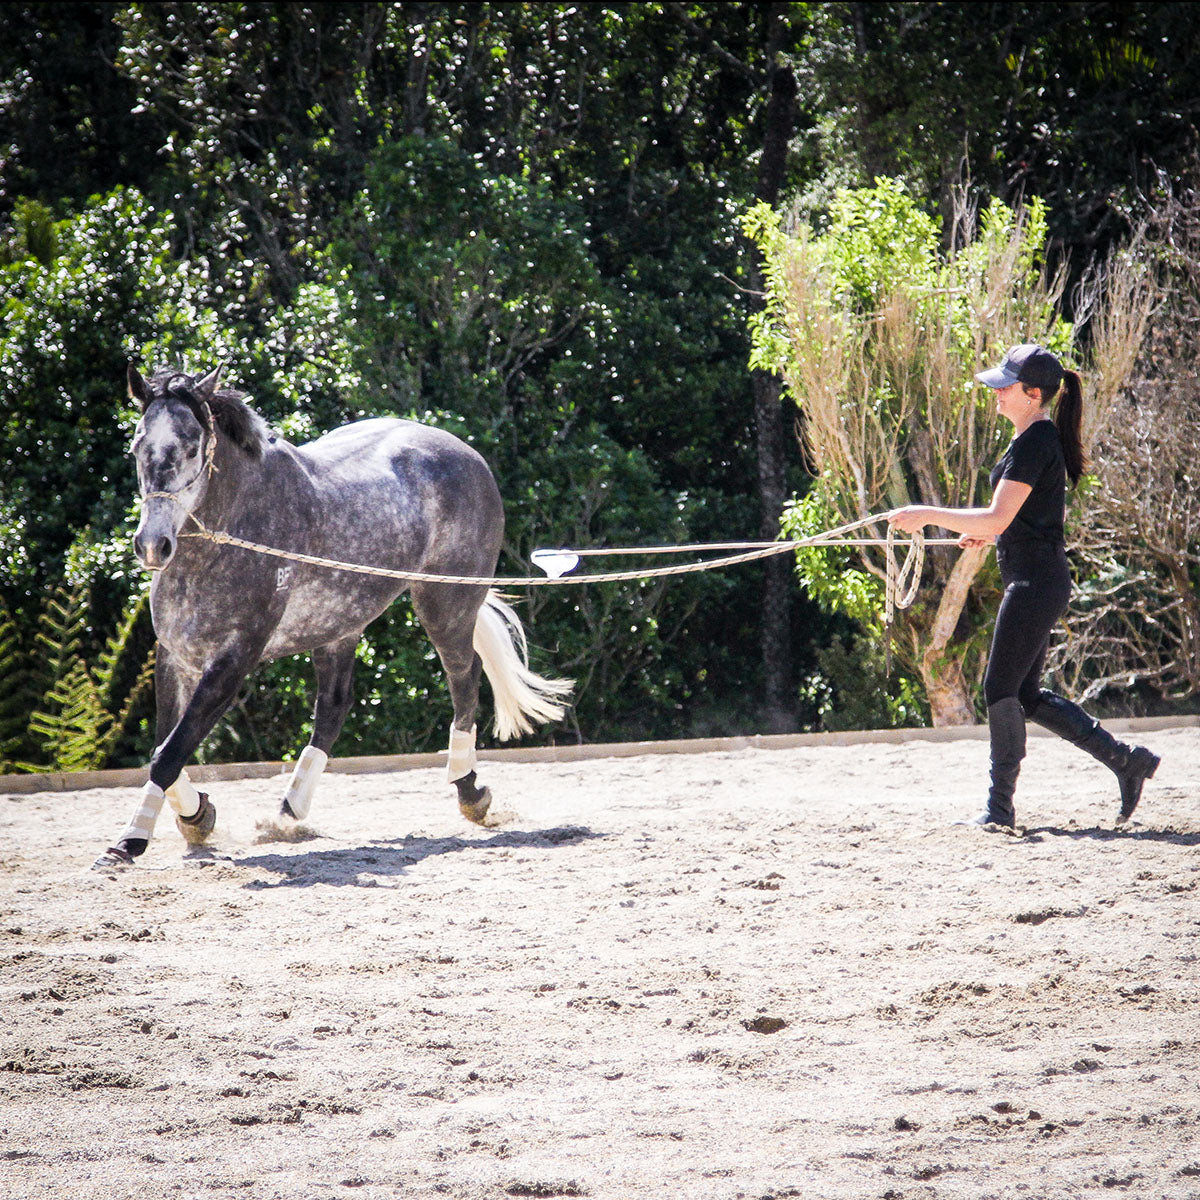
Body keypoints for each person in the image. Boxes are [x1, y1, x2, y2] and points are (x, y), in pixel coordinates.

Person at [888, 343, 1160, 829]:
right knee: (1026, 695)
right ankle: (1125, 761)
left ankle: (999, 809)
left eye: (1005, 386)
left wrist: (926, 515)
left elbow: (997, 516)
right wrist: (992, 531)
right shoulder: (1030, 440)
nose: (996, 393)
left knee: (998, 687)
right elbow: (1013, 518)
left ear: (1033, 395)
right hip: (1037, 578)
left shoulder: (1035, 442)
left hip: (1036, 582)